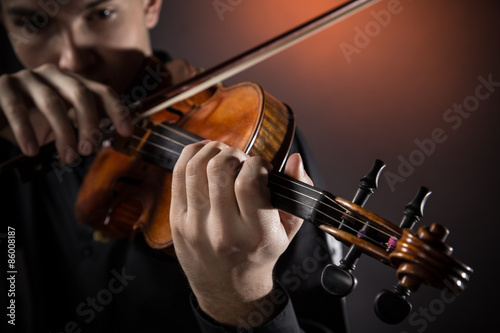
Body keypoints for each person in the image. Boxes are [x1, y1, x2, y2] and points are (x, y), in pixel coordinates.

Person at [0, 1, 347, 332]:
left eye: (101, 13)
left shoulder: (245, 140)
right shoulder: (8, 139)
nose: (71, 60)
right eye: (33, 23)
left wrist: (240, 301)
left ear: (150, 4)